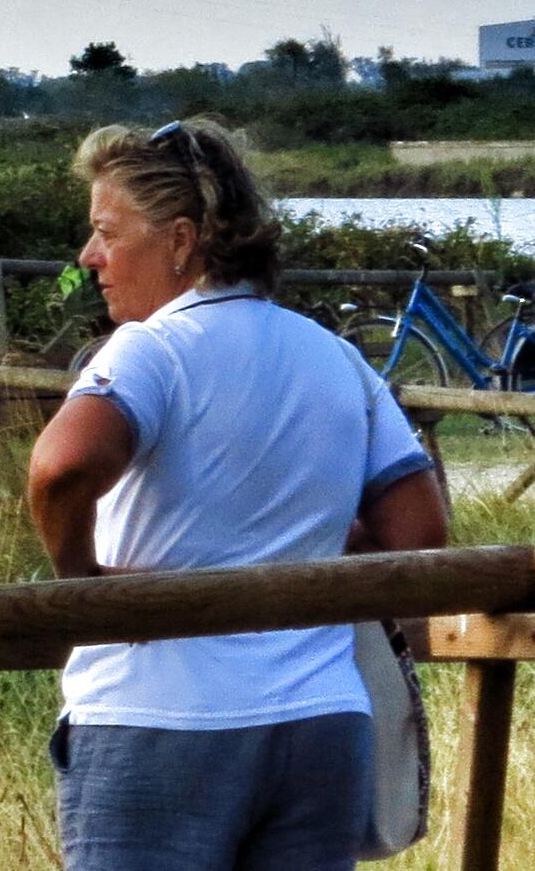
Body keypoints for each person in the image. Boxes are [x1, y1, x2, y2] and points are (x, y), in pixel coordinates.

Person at [28, 118, 449, 871]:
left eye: (107, 233)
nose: (89, 256)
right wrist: (308, 540)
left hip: (159, 717)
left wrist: (83, 583)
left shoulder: (152, 350)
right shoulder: (335, 357)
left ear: (180, 240)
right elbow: (419, 531)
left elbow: (60, 469)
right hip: (320, 723)